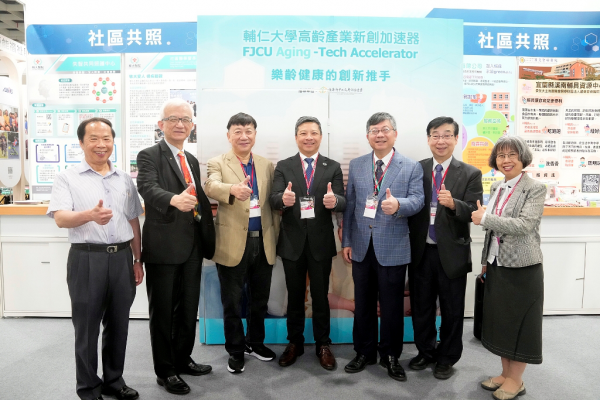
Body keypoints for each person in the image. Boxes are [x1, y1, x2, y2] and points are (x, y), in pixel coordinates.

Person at [47, 118, 144, 400]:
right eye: (93, 139)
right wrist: (89, 215)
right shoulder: (67, 177)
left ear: (113, 141)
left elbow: (133, 220)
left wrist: (138, 259)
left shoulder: (124, 178)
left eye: (106, 139)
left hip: (122, 258)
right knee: (87, 328)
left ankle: (114, 380)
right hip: (87, 259)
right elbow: (61, 218)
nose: (101, 144)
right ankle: (88, 387)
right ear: (81, 142)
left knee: (118, 324)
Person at [136, 98, 216, 396]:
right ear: (161, 124)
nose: (180, 124)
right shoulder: (149, 155)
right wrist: (173, 199)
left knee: (188, 308)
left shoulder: (191, 159)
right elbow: (147, 187)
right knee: (163, 312)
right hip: (164, 246)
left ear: (192, 125)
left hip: (192, 245)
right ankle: (165, 370)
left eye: (186, 119)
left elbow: (198, 198)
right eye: (173, 119)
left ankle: (183, 358)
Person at [341, 112, 424, 381]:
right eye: (374, 130)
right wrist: (347, 241)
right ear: (368, 136)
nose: (380, 134)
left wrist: (399, 205)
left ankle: (390, 355)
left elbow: (418, 200)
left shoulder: (410, 166)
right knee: (363, 304)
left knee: (391, 307)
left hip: (393, 247)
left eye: (385, 129)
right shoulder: (356, 165)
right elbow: (350, 206)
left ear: (395, 134)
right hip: (361, 246)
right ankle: (364, 352)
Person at [407, 116, 483, 379]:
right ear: (428, 139)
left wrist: (453, 205)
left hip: (452, 252)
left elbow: (474, 211)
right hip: (421, 251)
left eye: (447, 135)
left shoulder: (470, 173)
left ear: (456, 139)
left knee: (452, 309)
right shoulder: (417, 169)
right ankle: (425, 351)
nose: (441, 141)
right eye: (435, 135)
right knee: (422, 307)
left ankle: (447, 358)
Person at [471, 136, 546, 400]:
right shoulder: (497, 187)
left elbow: (525, 225)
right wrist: (485, 262)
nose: (506, 160)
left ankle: (517, 380)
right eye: (501, 156)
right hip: (497, 264)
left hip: (523, 267)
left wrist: (486, 218)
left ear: (523, 158)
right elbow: (493, 231)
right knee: (501, 323)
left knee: (521, 324)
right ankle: (505, 374)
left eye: (512, 155)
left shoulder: (535, 188)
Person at [204, 112, 279, 374]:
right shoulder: (217, 162)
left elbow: (273, 203)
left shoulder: (266, 165)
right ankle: (236, 350)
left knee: (260, 300)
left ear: (255, 135)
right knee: (232, 302)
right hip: (232, 243)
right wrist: (231, 190)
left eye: (248, 131)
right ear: (229, 135)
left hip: (264, 242)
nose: (243, 136)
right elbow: (210, 186)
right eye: (238, 131)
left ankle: (256, 343)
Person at [269, 116, 346, 370]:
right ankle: (295, 342)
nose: (309, 137)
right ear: (296, 137)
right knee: (295, 296)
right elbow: (273, 198)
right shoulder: (284, 165)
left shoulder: (332, 166)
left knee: (320, 297)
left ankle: (323, 343)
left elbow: (343, 200)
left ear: (321, 137)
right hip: (292, 242)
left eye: (313, 133)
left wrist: (335, 202)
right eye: (303, 133)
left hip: (321, 243)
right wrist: (283, 200)